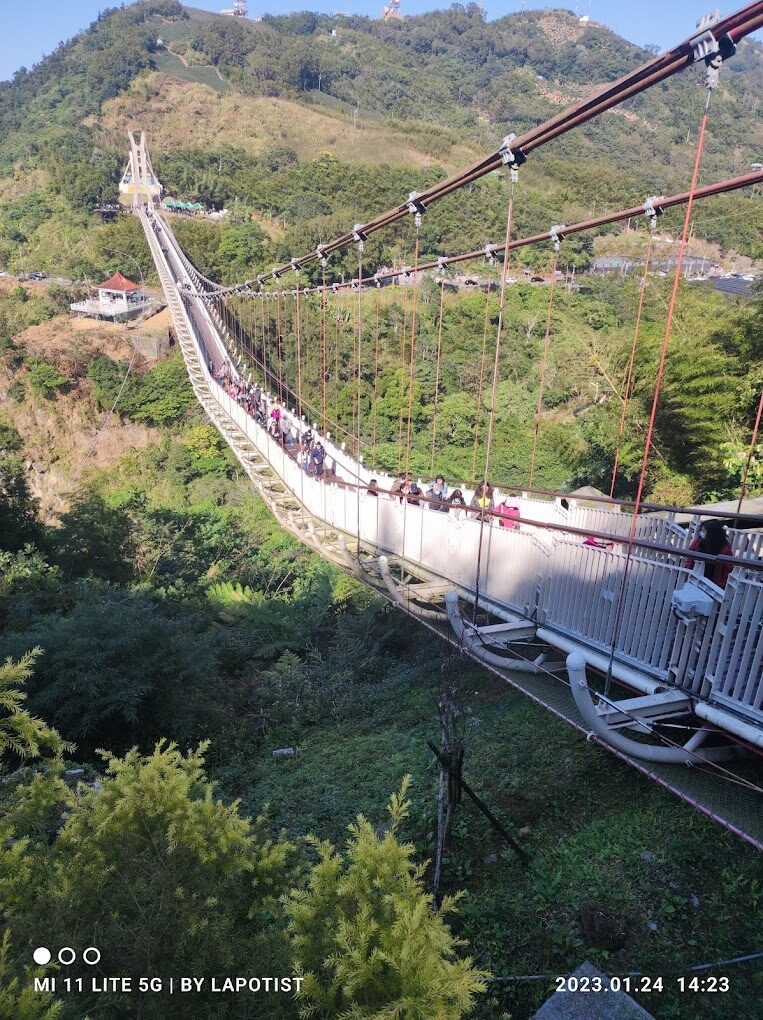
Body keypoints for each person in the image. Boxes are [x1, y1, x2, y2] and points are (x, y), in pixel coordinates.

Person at [684, 519, 733, 589]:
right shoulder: (699, 541)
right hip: (695, 576)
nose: (701, 533)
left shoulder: (725, 549)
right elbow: (690, 555)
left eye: (703, 531)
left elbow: (728, 569)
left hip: (715, 583)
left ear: (711, 534)